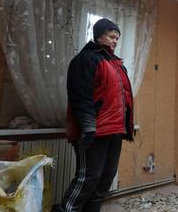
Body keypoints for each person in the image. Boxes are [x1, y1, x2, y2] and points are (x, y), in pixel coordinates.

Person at [57, 18, 134, 212]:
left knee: (105, 179)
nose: (115, 41)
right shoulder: (86, 59)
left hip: (115, 130)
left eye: (117, 38)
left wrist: (126, 126)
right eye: (111, 36)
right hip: (94, 130)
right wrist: (88, 126)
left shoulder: (117, 65)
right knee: (88, 178)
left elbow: (122, 98)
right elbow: (80, 96)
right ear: (99, 35)